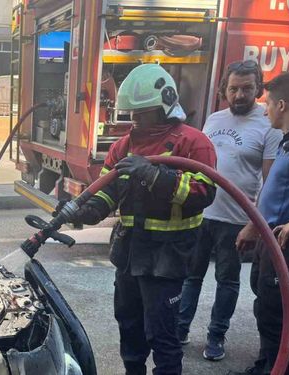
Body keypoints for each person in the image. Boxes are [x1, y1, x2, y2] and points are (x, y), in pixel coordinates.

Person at [54, 64, 217, 375]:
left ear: (165, 106)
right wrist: (83, 210)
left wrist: (157, 176)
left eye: (142, 114)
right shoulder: (124, 145)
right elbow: (107, 191)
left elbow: (204, 193)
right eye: (131, 114)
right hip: (131, 253)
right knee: (129, 327)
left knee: (162, 335)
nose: (135, 121)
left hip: (169, 256)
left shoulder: (192, 143)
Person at [176, 60, 282, 361]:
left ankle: (215, 337)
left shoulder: (267, 125)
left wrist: (254, 223)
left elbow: (270, 179)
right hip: (201, 214)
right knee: (190, 277)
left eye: (247, 89)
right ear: (224, 89)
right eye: (233, 88)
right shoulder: (214, 119)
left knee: (227, 281)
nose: (239, 95)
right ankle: (180, 329)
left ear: (258, 89)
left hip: (236, 220)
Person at [228, 72, 289, 375]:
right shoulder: (286, 143)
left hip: (286, 248)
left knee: (276, 315)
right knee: (265, 308)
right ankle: (266, 365)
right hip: (270, 242)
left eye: (267, 103)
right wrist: (254, 226)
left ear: (281, 104)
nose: (264, 110)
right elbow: (272, 192)